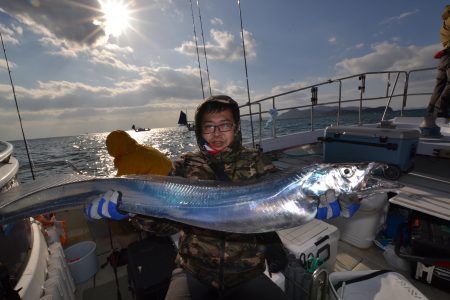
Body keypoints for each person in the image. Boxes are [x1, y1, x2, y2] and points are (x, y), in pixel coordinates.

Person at [88, 95, 287, 300]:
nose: (216, 133)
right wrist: (133, 210)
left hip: (247, 273)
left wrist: (308, 202)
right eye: (209, 126)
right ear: (200, 131)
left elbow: (280, 203)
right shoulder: (185, 165)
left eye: (224, 125)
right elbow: (167, 225)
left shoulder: (257, 161)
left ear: (236, 127)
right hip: (194, 272)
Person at [427, 5, 450, 119]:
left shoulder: (444, 22)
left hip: (444, 57)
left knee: (440, 84)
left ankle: (431, 112)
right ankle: (440, 111)